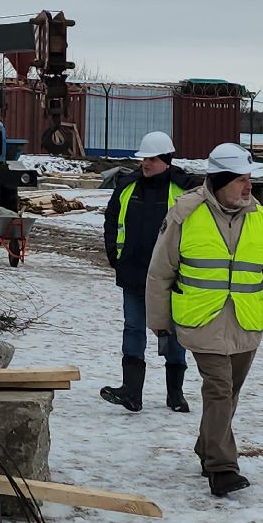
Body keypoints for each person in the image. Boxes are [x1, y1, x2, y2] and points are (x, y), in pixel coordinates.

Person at [147, 143, 263, 498]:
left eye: (250, 179)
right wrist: (159, 320)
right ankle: (222, 468)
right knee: (218, 390)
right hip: (202, 319)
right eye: (240, 180)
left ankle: (207, 446)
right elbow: (160, 271)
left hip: (246, 322)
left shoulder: (259, 217)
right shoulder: (186, 214)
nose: (249, 187)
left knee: (229, 393)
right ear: (220, 182)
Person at [99, 132, 196, 414]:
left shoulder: (184, 190)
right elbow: (112, 220)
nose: (146, 164)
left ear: (166, 160)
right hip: (133, 271)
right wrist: (114, 255)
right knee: (133, 328)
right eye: (144, 159)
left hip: (170, 277)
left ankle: (175, 394)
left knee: (173, 333)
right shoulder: (128, 186)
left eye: (152, 159)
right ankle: (132, 392)